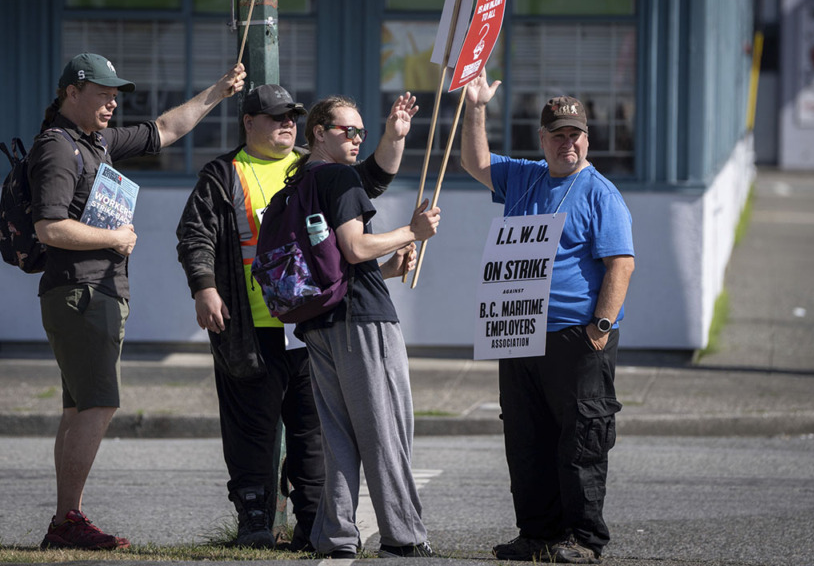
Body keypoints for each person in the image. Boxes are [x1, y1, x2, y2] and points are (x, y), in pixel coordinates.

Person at [175, 84, 418, 551]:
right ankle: (254, 521)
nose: (287, 123)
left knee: (313, 431)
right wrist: (205, 288)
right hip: (248, 324)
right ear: (248, 123)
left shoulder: (314, 168)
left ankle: (312, 524)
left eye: (292, 116)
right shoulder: (224, 172)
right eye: (275, 117)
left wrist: (394, 134)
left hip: (312, 322)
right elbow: (195, 234)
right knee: (252, 427)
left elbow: (370, 178)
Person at [29, 53, 246, 550]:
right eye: (102, 92)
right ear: (71, 93)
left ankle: (66, 519)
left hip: (90, 291)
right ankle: (67, 521)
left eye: (114, 94)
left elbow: (165, 129)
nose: (111, 102)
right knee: (98, 402)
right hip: (82, 291)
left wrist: (218, 92)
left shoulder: (97, 141)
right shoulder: (59, 149)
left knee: (78, 407)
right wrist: (114, 240)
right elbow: (50, 226)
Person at [460, 69, 635, 564]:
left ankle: (582, 539)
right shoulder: (524, 177)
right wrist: (476, 108)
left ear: (586, 138)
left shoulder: (600, 193)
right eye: (557, 135)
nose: (567, 144)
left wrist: (599, 328)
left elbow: (621, 263)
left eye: (574, 135)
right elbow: (473, 161)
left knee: (581, 439)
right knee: (526, 437)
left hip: (575, 337)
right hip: (517, 331)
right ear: (542, 139)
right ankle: (537, 534)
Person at [289, 95, 440, 559]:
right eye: (346, 131)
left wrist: (389, 268)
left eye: (360, 132)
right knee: (386, 428)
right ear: (318, 131)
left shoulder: (300, 181)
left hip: (320, 322)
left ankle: (333, 537)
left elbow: (334, 258)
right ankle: (404, 535)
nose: (356, 140)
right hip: (362, 322)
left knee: (337, 436)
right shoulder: (337, 176)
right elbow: (354, 248)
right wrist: (412, 231)